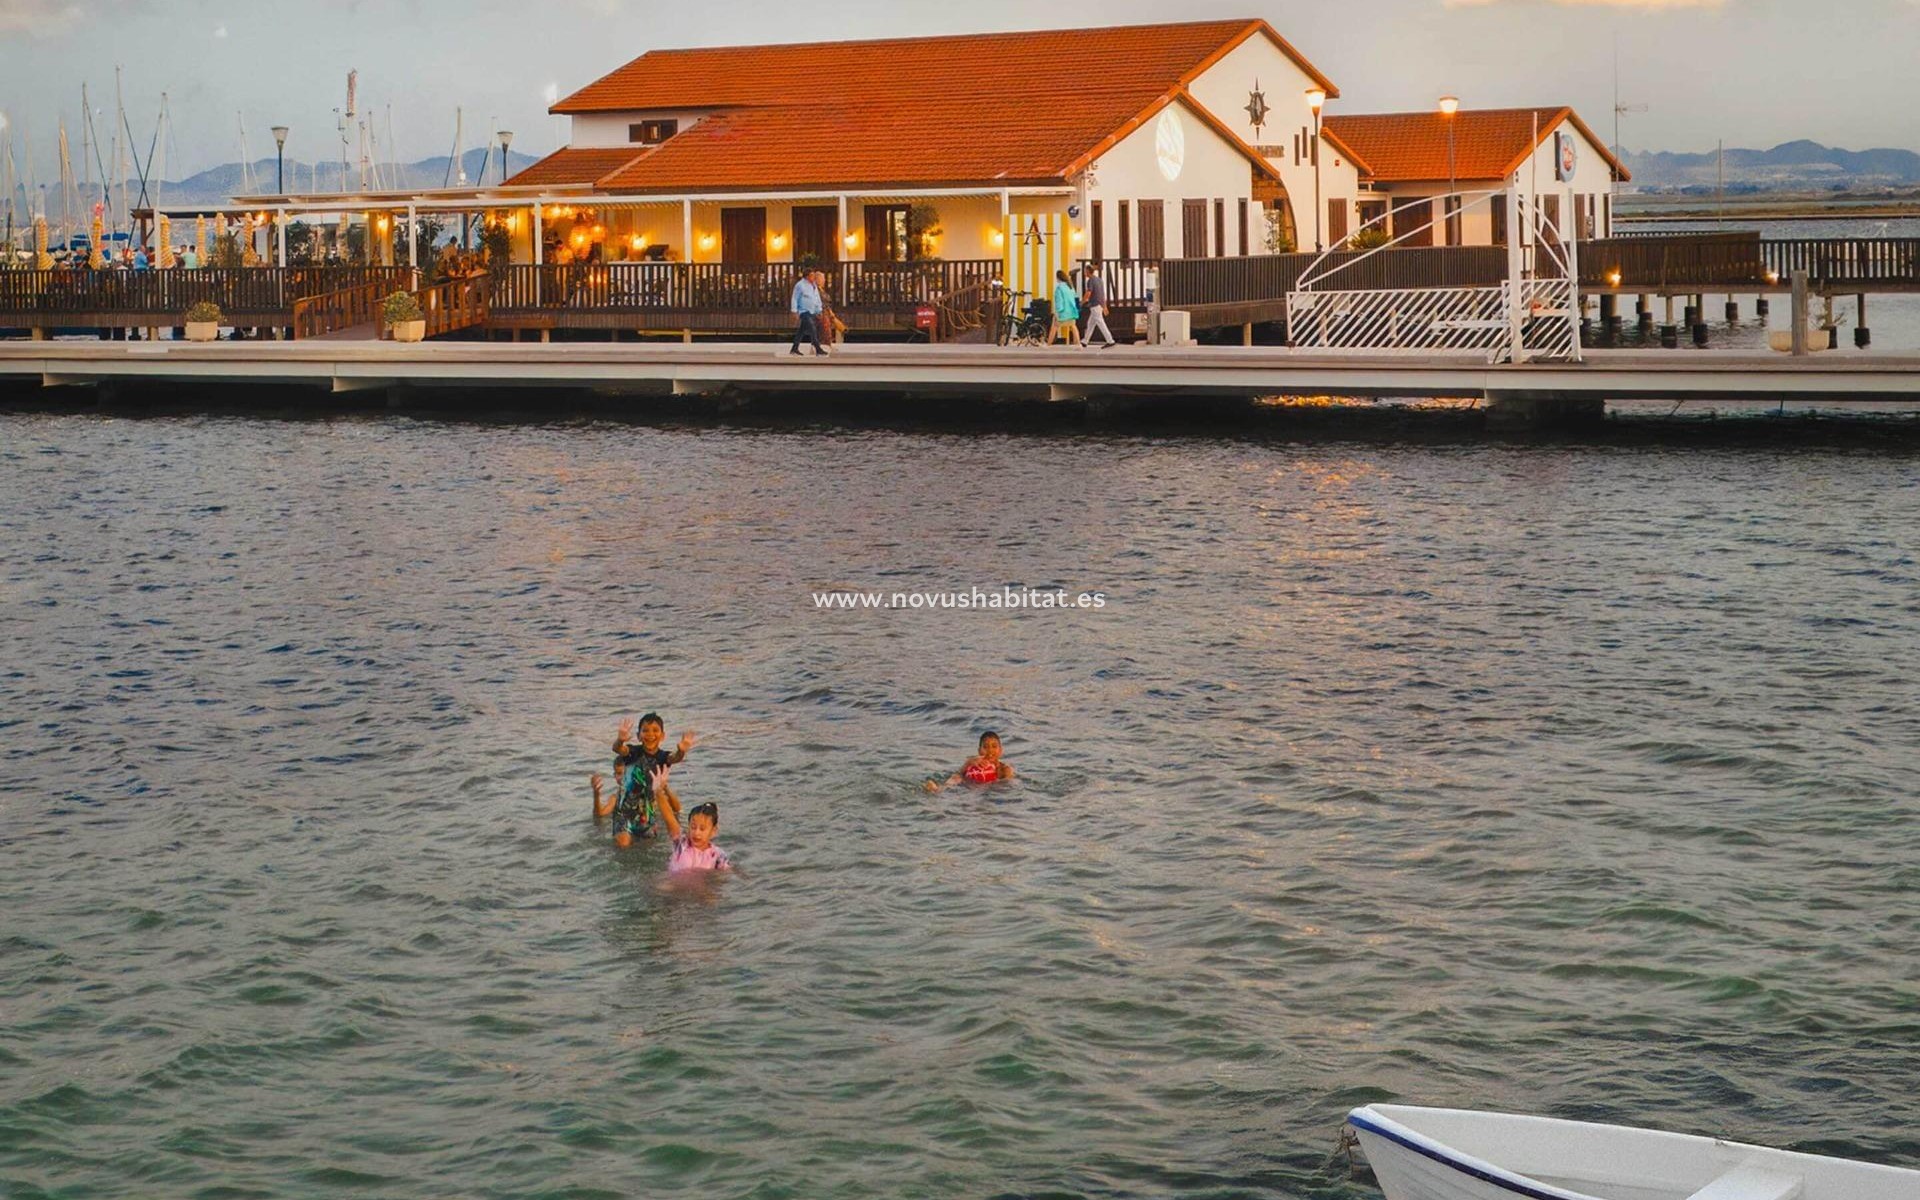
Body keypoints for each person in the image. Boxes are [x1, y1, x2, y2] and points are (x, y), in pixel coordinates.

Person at [591, 713, 696, 848]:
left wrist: (681, 751)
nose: (650, 734)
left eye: (655, 730)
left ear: (663, 736)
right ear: (638, 736)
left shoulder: (663, 757)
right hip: (624, 812)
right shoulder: (632, 752)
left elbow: (675, 758)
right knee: (623, 843)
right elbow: (618, 749)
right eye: (645, 730)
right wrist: (620, 740)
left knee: (648, 848)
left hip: (647, 814)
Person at [651, 766, 733, 873]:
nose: (696, 833)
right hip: (674, 886)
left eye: (702, 829)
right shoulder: (681, 843)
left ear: (713, 831)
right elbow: (669, 817)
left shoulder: (718, 856)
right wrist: (658, 792)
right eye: (693, 827)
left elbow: (727, 875)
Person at [925, 731, 1016, 792]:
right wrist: (968, 763)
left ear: (1000, 751)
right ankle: (939, 789)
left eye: (994, 746)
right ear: (979, 751)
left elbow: (1008, 784)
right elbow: (959, 772)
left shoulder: (1005, 769)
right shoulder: (974, 762)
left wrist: (988, 783)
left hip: (989, 790)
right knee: (956, 776)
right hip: (969, 785)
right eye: (985, 747)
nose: (990, 750)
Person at [790, 270, 827, 356]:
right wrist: (794, 310)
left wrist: (819, 310)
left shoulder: (813, 285)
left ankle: (794, 348)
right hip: (804, 311)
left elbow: (816, 297)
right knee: (812, 328)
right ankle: (818, 349)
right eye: (812, 275)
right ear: (807, 276)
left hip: (812, 310)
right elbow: (794, 298)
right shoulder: (800, 285)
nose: (814, 277)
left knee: (801, 331)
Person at [1081, 262, 1116, 347]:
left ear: (1088, 271)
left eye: (1085, 271)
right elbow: (1102, 294)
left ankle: (1110, 340)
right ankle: (1085, 341)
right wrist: (1104, 306)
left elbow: (1088, 293)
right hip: (1099, 304)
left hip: (1094, 305)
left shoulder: (1090, 281)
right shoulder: (1099, 280)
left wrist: (1082, 302)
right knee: (1090, 323)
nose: (1084, 273)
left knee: (1100, 323)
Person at [1049, 270, 1080, 346]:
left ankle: (1048, 344)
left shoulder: (1059, 288)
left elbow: (1059, 301)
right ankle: (1079, 344)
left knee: (1054, 327)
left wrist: (1057, 312)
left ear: (1058, 278)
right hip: (1071, 311)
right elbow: (1074, 298)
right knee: (1073, 327)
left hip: (1063, 312)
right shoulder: (1070, 287)